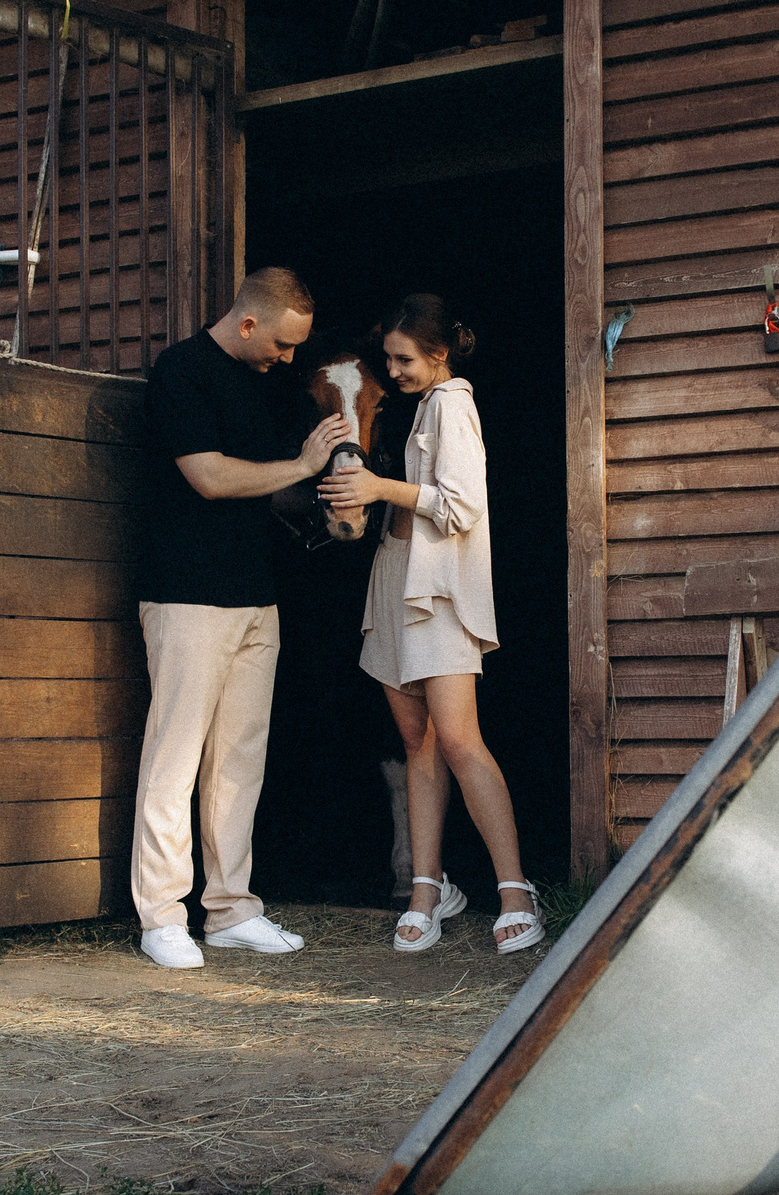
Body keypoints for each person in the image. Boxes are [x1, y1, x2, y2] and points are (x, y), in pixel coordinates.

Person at [131, 267, 352, 969]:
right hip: (188, 593)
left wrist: (328, 502)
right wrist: (301, 464)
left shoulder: (266, 382)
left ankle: (230, 910)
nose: (289, 359)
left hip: (258, 595)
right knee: (175, 759)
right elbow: (211, 476)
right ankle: (162, 917)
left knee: (238, 762)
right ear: (249, 322)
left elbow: (266, 495)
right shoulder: (181, 370)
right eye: (283, 345)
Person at [319, 295, 542, 954]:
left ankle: (515, 892)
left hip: (438, 595)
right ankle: (427, 889)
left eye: (403, 358)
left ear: (439, 354)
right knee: (417, 744)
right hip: (397, 584)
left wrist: (379, 490)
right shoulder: (419, 408)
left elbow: (461, 506)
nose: (393, 369)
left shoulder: (452, 405)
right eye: (388, 358)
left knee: (459, 741)